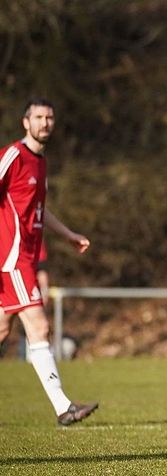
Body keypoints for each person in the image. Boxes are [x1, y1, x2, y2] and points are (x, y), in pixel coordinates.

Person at [0, 97, 96, 426]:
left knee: (2, 329)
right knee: (39, 327)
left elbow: (38, 209)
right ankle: (63, 407)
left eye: (50, 117)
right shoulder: (13, 156)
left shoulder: (41, 162)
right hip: (11, 259)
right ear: (25, 122)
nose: (45, 122)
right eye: (39, 117)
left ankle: (63, 407)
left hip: (25, 257)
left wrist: (67, 234)